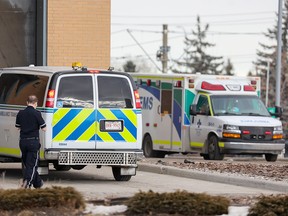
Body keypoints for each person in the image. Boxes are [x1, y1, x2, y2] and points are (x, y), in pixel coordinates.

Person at [15, 95, 46, 189]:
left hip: (23, 142)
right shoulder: (37, 113)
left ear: (27, 102)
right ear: (36, 103)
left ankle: (38, 183)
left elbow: (17, 127)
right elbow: (44, 128)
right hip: (33, 142)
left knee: (27, 164)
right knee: (32, 165)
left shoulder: (20, 113)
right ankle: (27, 184)